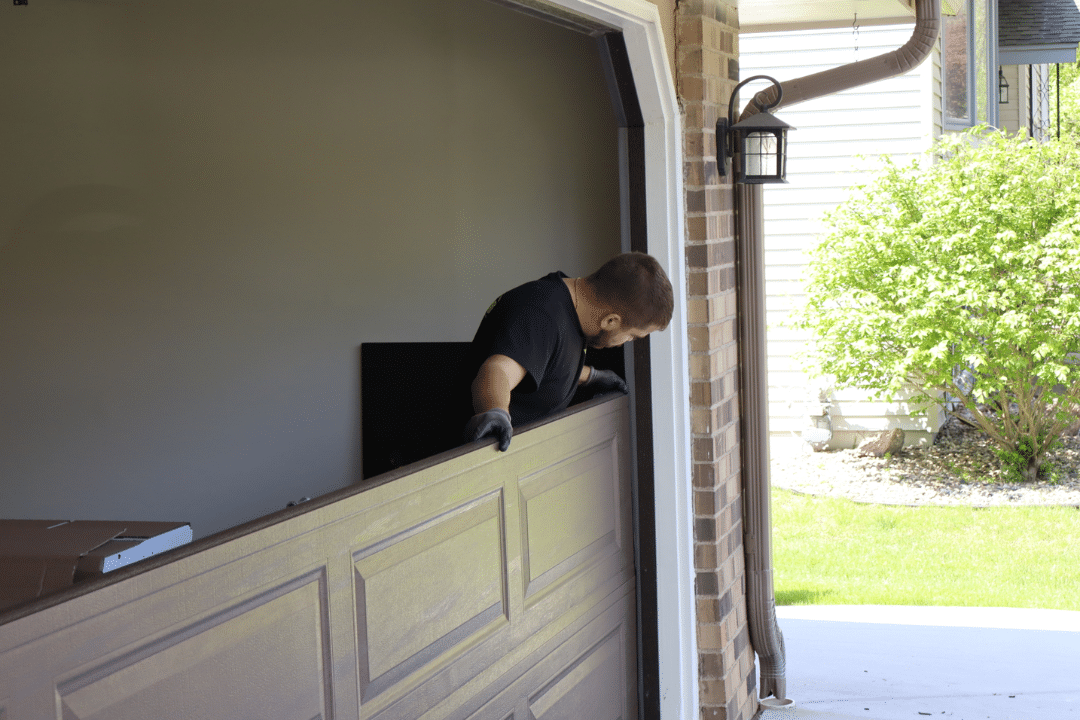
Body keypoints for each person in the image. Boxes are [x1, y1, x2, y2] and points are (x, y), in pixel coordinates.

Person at [460, 251, 673, 451]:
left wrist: (591, 377)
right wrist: (496, 411)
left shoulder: (570, 308)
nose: (627, 341)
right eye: (633, 336)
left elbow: (544, 362)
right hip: (474, 459)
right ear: (611, 320)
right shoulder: (541, 313)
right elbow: (497, 370)